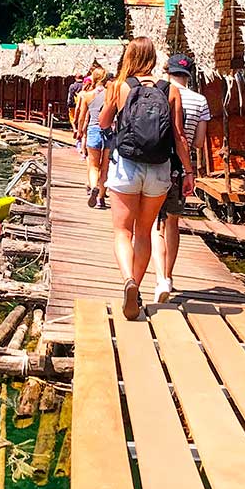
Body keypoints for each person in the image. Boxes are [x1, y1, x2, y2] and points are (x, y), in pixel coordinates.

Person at [99, 37, 194, 320]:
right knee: (145, 231)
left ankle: (128, 280)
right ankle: (137, 289)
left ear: (130, 56)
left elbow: (104, 123)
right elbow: (178, 137)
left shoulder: (120, 87)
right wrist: (189, 173)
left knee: (122, 232)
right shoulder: (170, 90)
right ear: (153, 59)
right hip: (159, 169)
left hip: (127, 166)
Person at [151, 54, 210, 303]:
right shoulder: (201, 100)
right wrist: (190, 170)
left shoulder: (158, 92)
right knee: (172, 223)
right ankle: (169, 275)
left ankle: (159, 279)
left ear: (167, 71)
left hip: (155, 164)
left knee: (154, 224)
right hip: (180, 167)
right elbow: (197, 142)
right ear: (190, 74)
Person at [75, 67, 111, 209]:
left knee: (94, 166)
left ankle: (94, 186)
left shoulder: (87, 96)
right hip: (109, 131)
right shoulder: (111, 95)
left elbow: (82, 117)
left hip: (93, 130)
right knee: (105, 167)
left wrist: (79, 132)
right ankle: (102, 197)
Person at [67, 73, 85, 151]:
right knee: (81, 120)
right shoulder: (85, 86)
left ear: (75, 78)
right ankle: (80, 132)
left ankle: (75, 129)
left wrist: (69, 104)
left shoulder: (72, 86)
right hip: (82, 106)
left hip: (74, 105)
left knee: (73, 119)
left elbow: (70, 96)